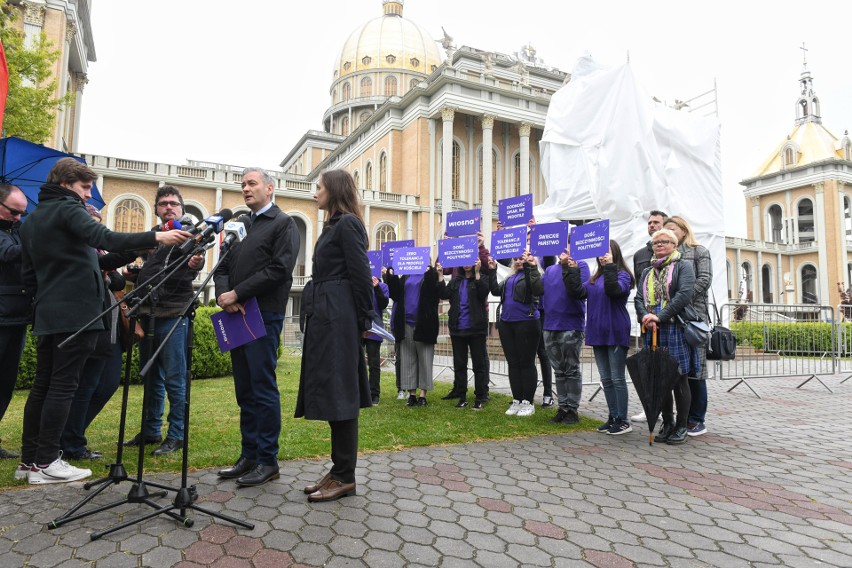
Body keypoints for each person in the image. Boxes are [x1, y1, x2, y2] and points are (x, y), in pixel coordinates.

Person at [18, 158, 190, 484]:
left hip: (48, 312)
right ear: (68, 183)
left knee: (42, 386)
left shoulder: (33, 219)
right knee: (63, 386)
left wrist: (138, 248)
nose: (87, 196)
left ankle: (29, 461)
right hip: (77, 314)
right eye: (85, 188)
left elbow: (93, 262)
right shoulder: (68, 210)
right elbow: (106, 238)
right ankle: (46, 462)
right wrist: (157, 238)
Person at [214, 167, 300, 487]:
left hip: (262, 313)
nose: (246, 189)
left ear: (270, 188)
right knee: (244, 389)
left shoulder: (283, 224)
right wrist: (226, 296)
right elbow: (222, 264)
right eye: (243, 185)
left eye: (252, 184)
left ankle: (268, 459)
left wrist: (239, 292)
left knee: (262, 388)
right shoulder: (239, 225)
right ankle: (248, 455)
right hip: (235, 314)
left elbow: (279, 270)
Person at [296, 169, 374, 502]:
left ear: (334, 190)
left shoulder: (348, 225)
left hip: (339, 317)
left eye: (319, 187)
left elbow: (360, 273)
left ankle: (345, 475)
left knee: (341, 393)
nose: (315, 192)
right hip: (327, 314)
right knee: (331, 390)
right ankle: (338, 468)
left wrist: (364, 317)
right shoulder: (334, 225)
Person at [122, 186, 204, 456]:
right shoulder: (156, 239)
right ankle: (151, 429)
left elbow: (195, 260)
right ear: (157, 209)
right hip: (148, 314)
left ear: (182, 209)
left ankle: (177, 434)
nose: (169, 207)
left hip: (173, 314)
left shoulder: (188, 233)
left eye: (174, 203)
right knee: (152, 378)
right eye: (163, 204)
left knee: (174, 378)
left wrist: (195, 262)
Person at [59, 205, 136, 460]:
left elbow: (116, 281)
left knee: (107, 384)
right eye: (90, 223)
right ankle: (71, 442)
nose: (94, 229)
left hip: (110, 329)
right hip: (91, 326)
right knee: (85, 386)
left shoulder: (99, 250)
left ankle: (72, 433)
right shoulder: (78, 251)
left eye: (97, 224)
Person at [634, 228, 699, 445]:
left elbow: (683, 295)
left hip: (674, 328)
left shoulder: (683, 266)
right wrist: (646, 317)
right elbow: (639, 298)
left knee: (679, 378)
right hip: (653, 329)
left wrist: (659, 316)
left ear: (674, 245)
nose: (659, 245)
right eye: (655, 242)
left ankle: (682, 425)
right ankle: (667, 422)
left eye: (664, 241)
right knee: (659, 379)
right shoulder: (646, 272)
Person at [565, 240, 635, 434]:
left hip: (615, 330)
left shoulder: (623, 275)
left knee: (617, 378)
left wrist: (611, 265)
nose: (603, 255)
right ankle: (612, 417)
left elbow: (614, 290)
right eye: (601, 252)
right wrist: (571, 270)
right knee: (606, 378)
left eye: (608, 252)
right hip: (597, 331)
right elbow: (578, 292)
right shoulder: (595, 278)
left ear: (615, 253)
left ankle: (623, 420)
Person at [664, 215, 712, 437]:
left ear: (684, 230)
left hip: (694, 317)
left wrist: (681, 298)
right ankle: (678, 417)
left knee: (696, 369)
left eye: (672, 229)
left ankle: (696, 418)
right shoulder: (668, 255)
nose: (669, 233)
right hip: (673, 318)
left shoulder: (699, 251)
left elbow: (704, 279)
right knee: (679, 370)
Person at [532, 247, 589, 425]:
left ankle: (572, 409)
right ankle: (562, 407)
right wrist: (532, 268)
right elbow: (538, 290)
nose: (564, 249)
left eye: (568, 245)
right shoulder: (549, 270)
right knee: (559, 370)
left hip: (570, 325)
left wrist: (568, 267)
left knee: (571, 369)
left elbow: (578, 291)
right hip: (550, 325)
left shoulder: (581, 266)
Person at [488, 251, 542, 417]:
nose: (519, 261)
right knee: (513, 363)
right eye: (516, 259)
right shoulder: (510, 278)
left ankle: (528, 402)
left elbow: (536, 289)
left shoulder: (533, 274)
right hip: (507, 323)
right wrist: (492, 270)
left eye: (522, 258)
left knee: (526, 363)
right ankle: (517, 399)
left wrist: (529, 266)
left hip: (527, 322)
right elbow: (496, 291)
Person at [0, 184, 31, 460]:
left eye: (22, 213)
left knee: (6, 383)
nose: (18, 218)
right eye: (14, 212)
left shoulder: (16, 229)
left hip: (17, 316)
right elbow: (8, 254)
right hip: (2, 316)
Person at [385, 259, 442, 407]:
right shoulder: (405, 276)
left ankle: (423, 395)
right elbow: (396, 295)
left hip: (424, 324)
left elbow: (434, 293)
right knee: (408, 359)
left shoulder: (429, 275)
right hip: (406, 323)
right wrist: (391, 277)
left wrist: (431, 273)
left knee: (424, 359)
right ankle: (412, 394)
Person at [437, 258, 491, 409]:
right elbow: (444, 293)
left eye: (470, 261)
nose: (467, 264)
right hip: (458, 330)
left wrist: (478, 273)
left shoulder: (482, 278)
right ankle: (462, 396)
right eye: (464, 261)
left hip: (476, 330)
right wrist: (440, 276)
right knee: (460, 365)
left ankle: (480, 397)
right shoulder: (456, 281)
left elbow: (483, 292)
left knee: (478, 365)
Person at [631, 209, 667, 423]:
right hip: (647, 322)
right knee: (650, 367)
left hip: (668, 321)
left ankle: (670, 411)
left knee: (668, 369)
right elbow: (640, 291)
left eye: (656, 222)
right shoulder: (641, 255)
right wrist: (644, 315)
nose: (652, 225)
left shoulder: (675, 253)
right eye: (650, 223)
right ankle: (651, 407)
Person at [364, 276, 389, 405]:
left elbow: (383, 304)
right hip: (360, 327)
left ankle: (374, 394)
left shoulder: (383, 286)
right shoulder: (360, 283)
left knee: (374, 363)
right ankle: (359, 392)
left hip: (375, 329)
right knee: (355, 361)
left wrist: (377, 287)